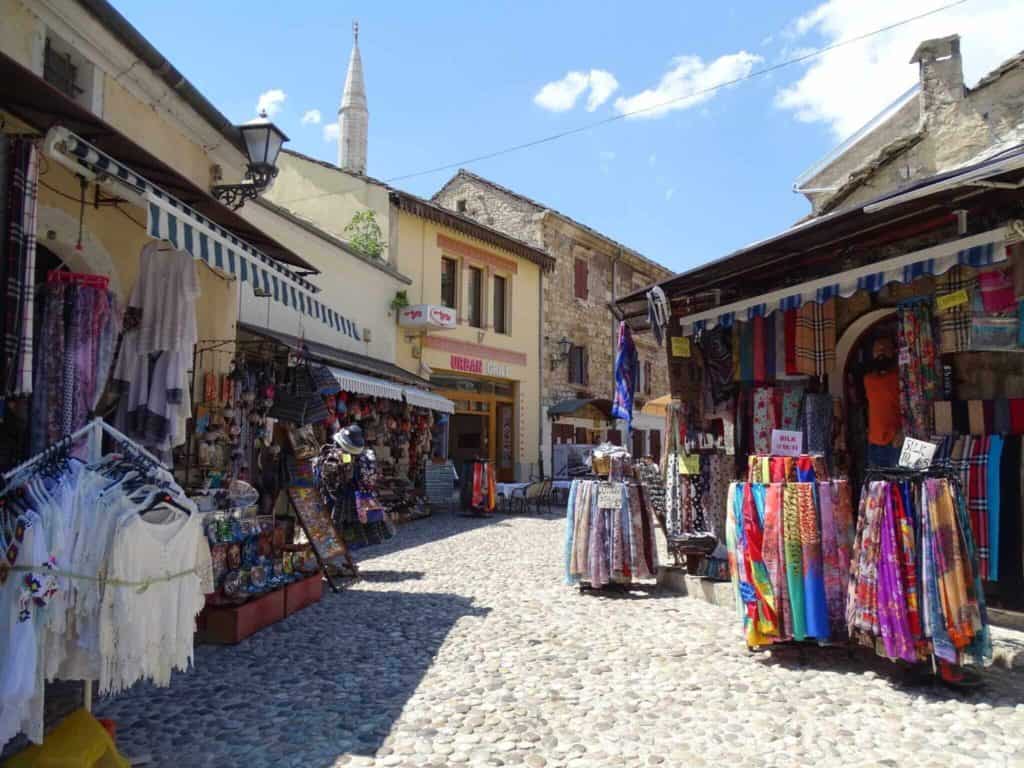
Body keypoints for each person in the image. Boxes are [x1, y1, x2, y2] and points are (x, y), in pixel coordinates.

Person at [862, 337, 902, 467]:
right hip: (874, 442)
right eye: (877, 350)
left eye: (885, 349)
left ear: (893, 351)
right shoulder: (868, 380)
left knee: (899, 482)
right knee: (876, 485)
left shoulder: (900, 377)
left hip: (896, 441)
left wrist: (903, 432)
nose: (881, 352)